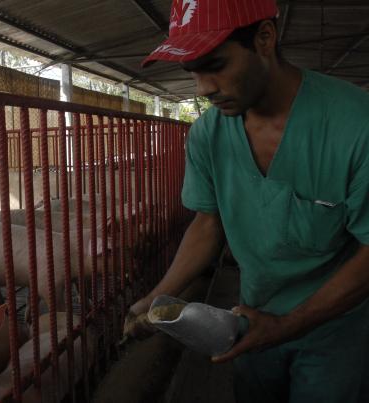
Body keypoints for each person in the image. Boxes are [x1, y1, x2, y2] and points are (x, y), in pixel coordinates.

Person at [124, 0, 369, 402]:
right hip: (249, 319)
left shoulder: (355, 126)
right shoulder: (207, 135)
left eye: (216, 65)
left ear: (265, 38)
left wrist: (287, 324)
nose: (203, 89)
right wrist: (157, 297)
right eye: (193, 72)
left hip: (335, 326)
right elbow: (208, 223)